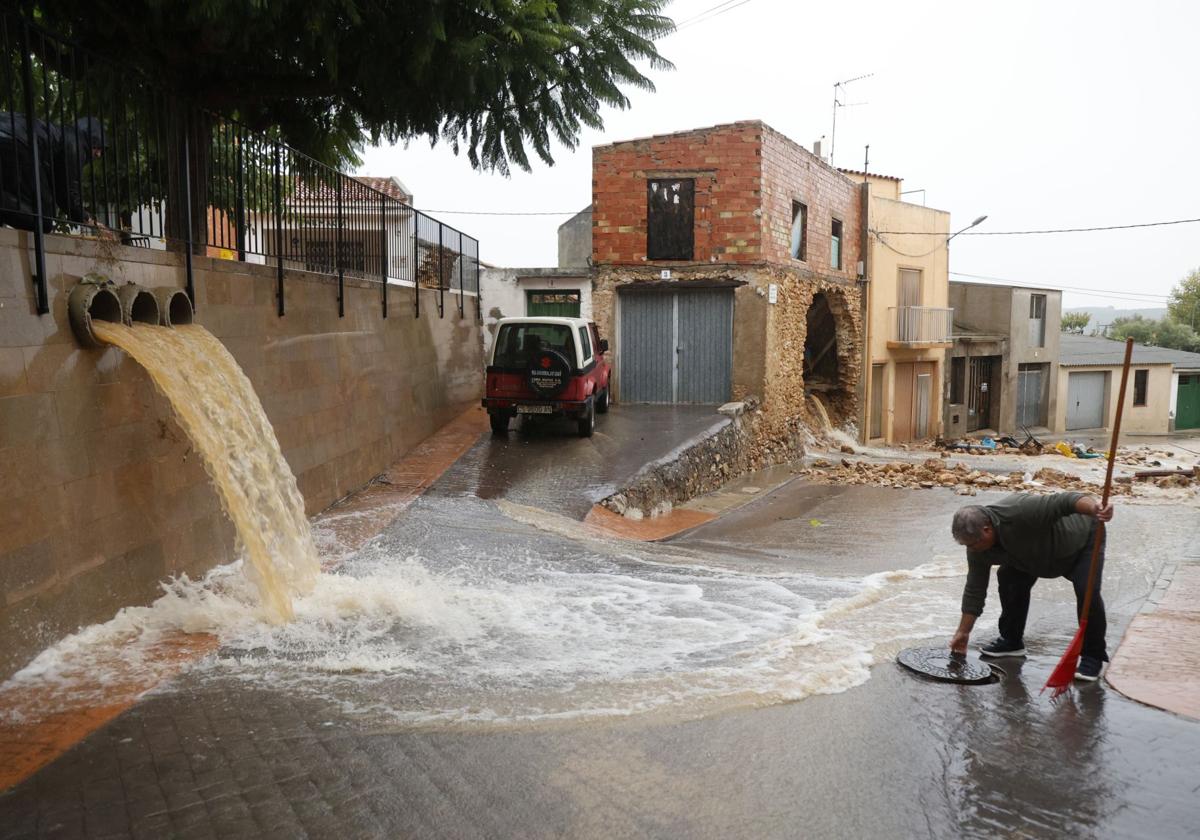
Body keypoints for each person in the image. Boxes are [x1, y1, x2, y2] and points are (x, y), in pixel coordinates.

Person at [949, 491, 1114, 681]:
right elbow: (975, 589)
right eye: (966, 546)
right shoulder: (976, 547)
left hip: (1079, 543)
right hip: (1031, 556)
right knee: (1009, 578)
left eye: (973, 544)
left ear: (987, 529)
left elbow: (1067, 500)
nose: (971, 549)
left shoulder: (1020, 509)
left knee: (1088, 592)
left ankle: (1092, 656)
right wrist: (963, 632)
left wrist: (1095, 509)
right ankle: (1012, 641)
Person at [0, 114, 107, 233]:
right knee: (44, 220)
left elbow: (59, 189)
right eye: (97, 147)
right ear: (89, 139)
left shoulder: (61, 137)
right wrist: (88, 220)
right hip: (17, 143)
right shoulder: (75, 143)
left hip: (9, 137)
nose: (98, 154)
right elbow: (67, 192)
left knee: (25, 203)